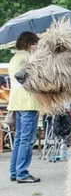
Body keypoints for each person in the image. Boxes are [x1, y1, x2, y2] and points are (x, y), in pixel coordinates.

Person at [8, 32, 41, 183]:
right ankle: (22, 172)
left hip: (17, 102)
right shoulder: (28, 59)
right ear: (30, 44)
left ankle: (14, 171)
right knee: (27, 139)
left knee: (19, 138)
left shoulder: (14, 58)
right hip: (28, 102)